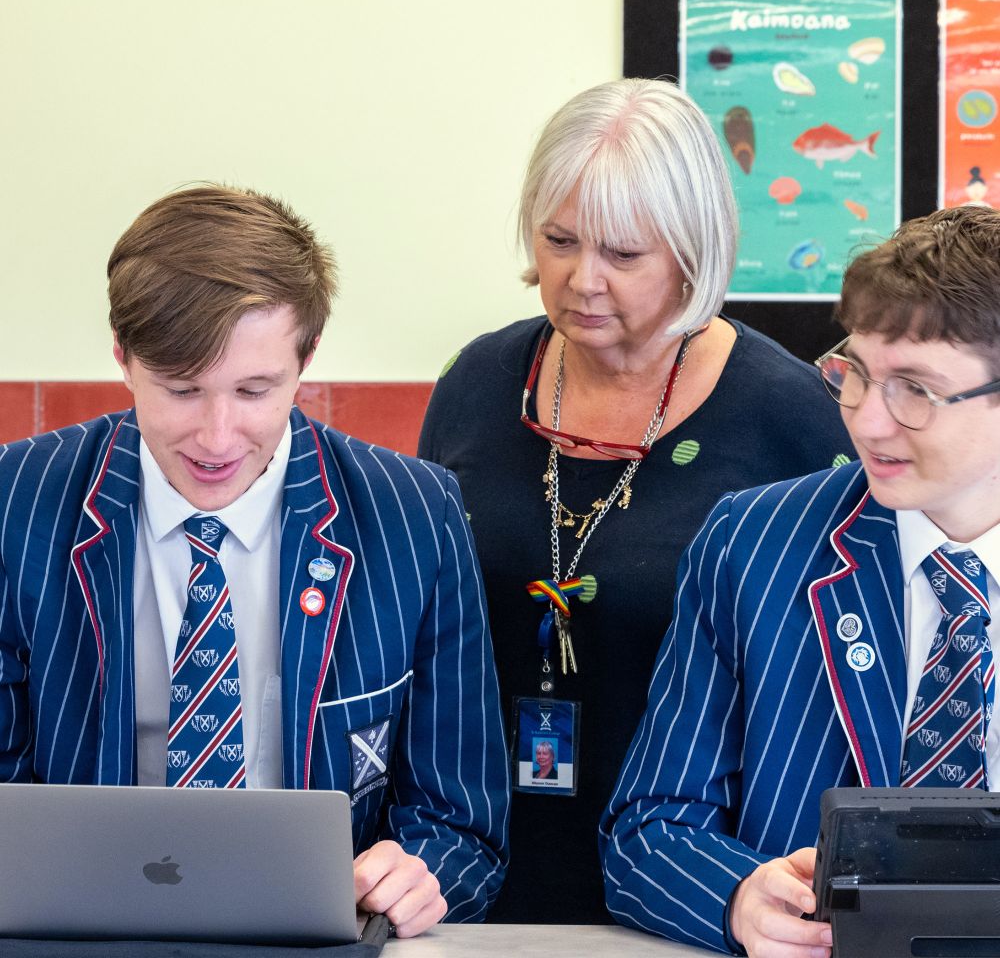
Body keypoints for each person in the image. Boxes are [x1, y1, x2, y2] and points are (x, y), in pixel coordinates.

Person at [0, 185, 510, 938]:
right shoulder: (18, 502)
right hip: (74, 942)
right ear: (123, 357)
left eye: (253, 391)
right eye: (180, 390)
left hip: (326, 941)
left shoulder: (413, 514)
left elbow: (464, 827)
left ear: (305, 360)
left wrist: (417, 877)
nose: (216, 435)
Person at [417, 78, 855, 924]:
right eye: (558, 240)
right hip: (466, 872)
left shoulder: (794, 416)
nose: (582, 279)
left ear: (693, 249)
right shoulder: (476, 380)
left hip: (702, 886)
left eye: (623, 255)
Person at [601, 204, 1000, 956]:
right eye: (855, 374)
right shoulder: (755, 544)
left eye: (914, 389)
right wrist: (738, 898)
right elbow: (646, 832)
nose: (867, 422)